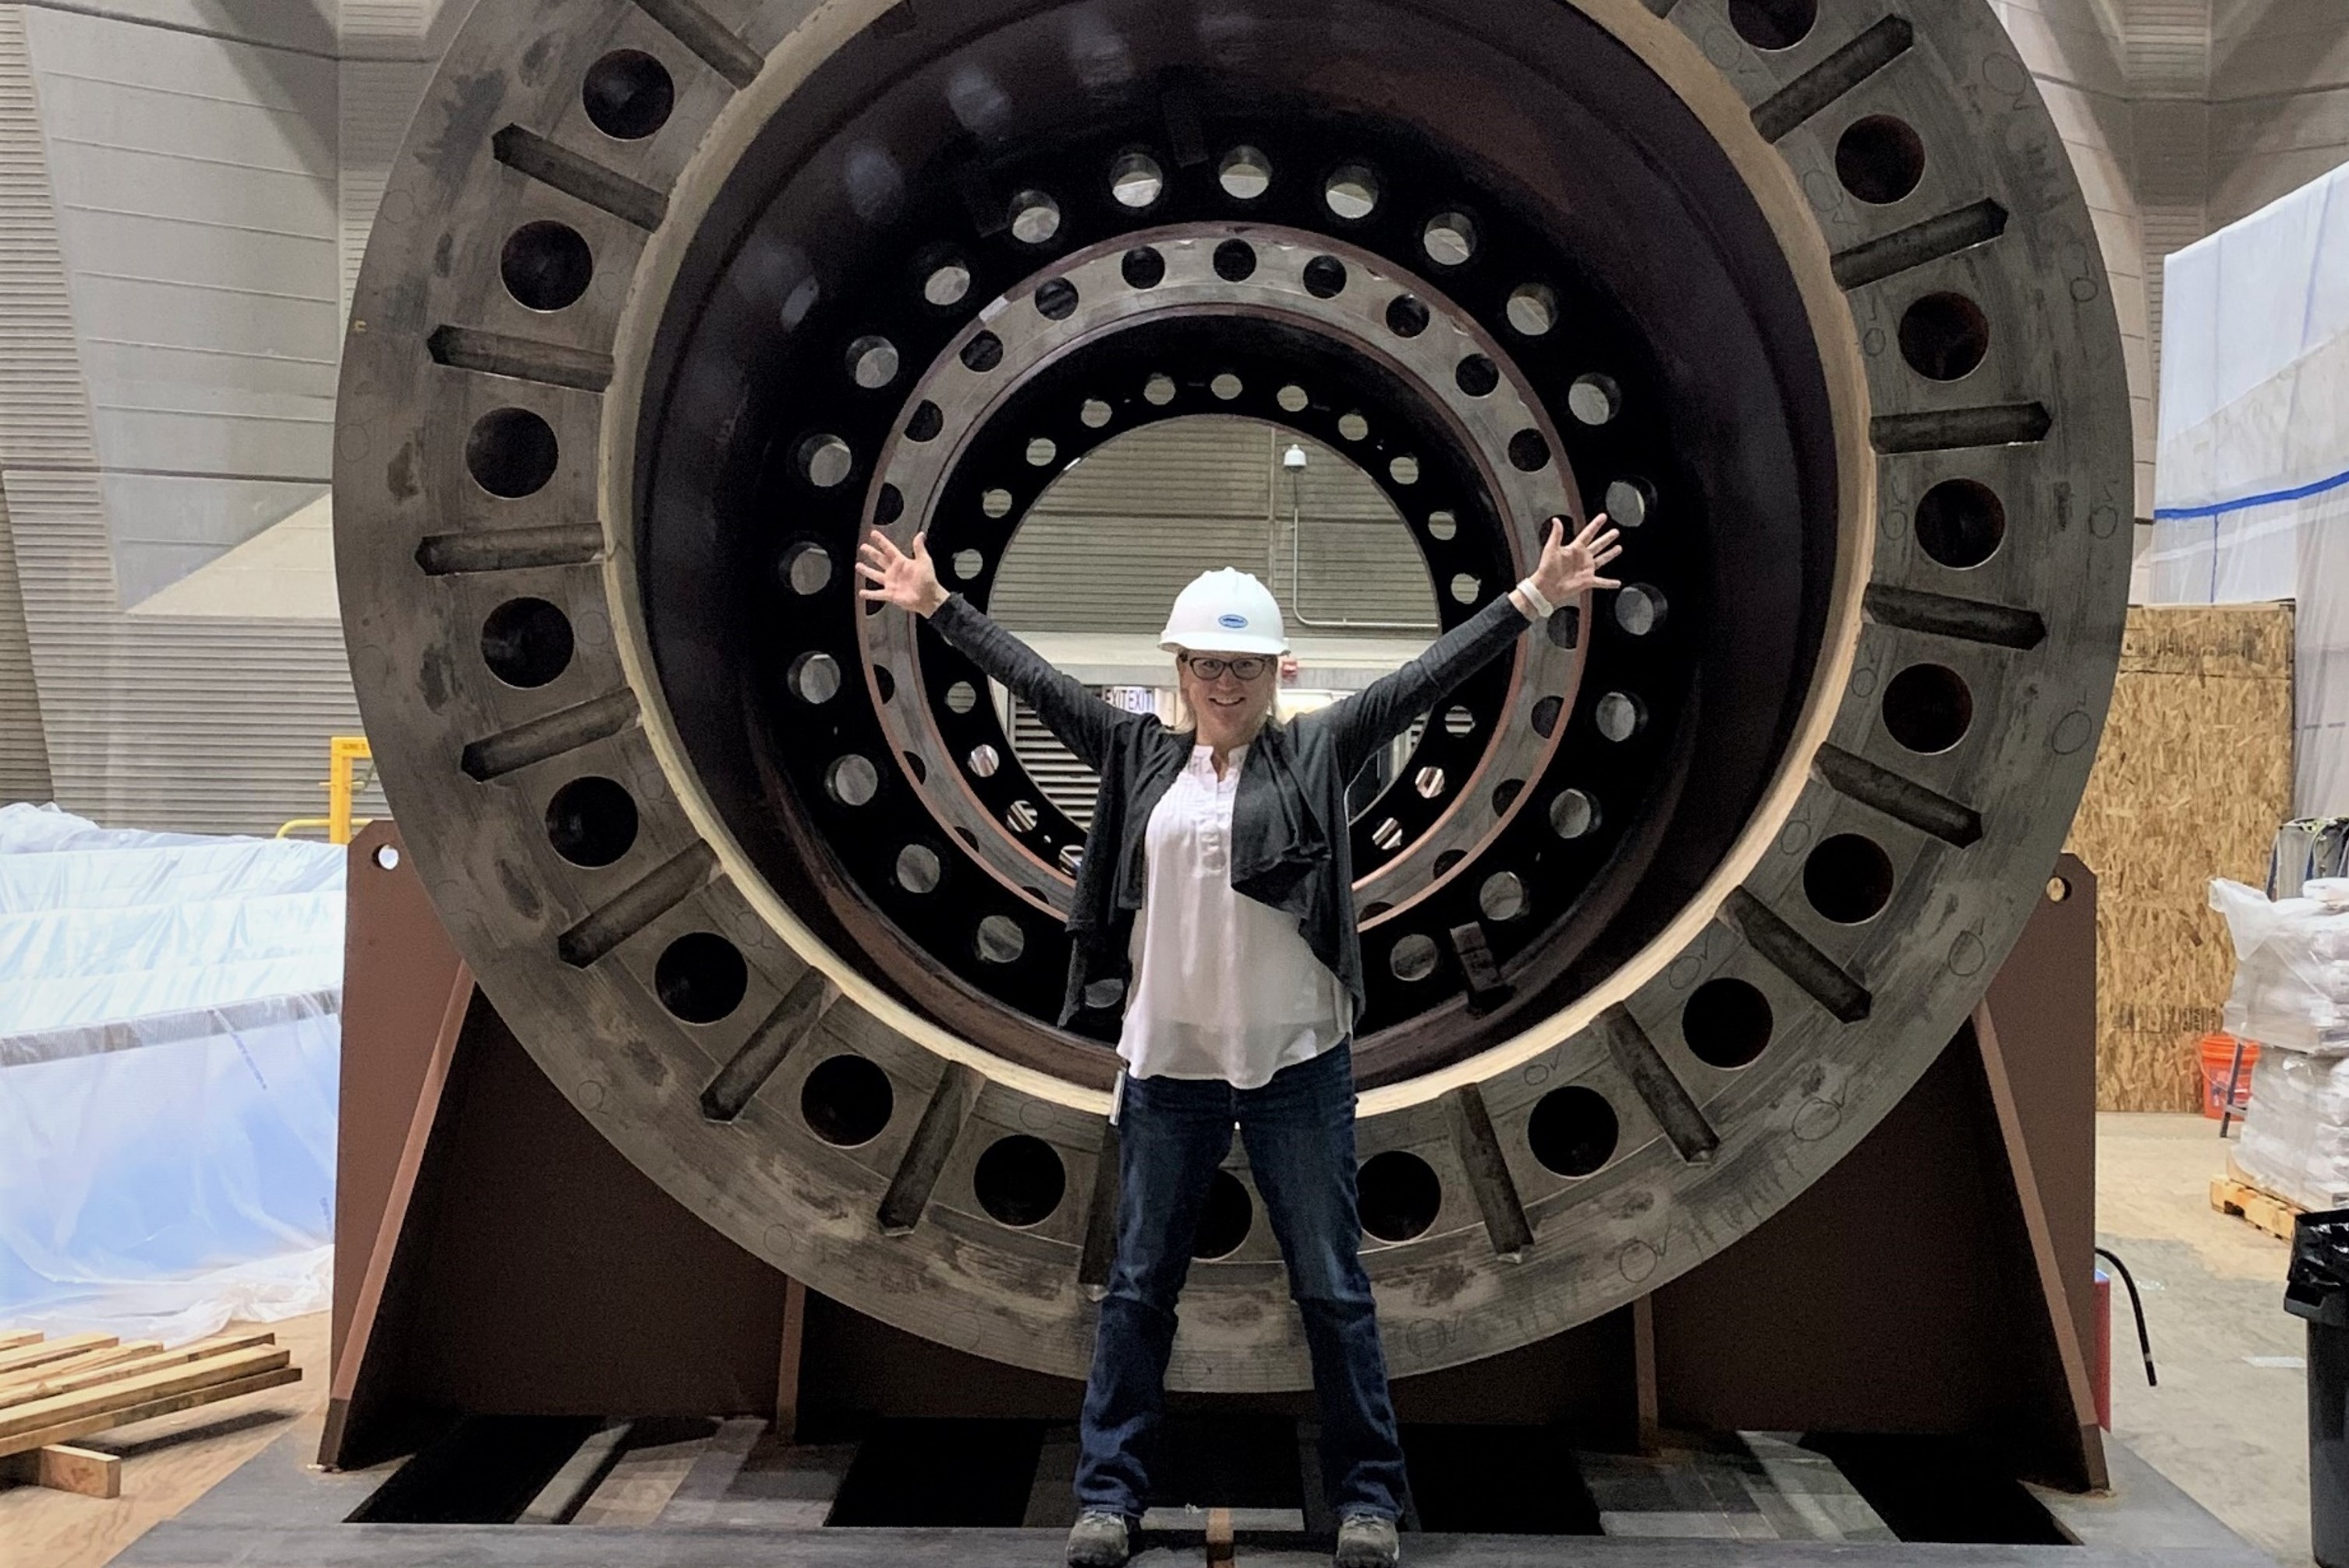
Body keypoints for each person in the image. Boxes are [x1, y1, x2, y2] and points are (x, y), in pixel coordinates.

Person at [858, 514, 1621, 1568]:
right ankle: (1110, 1501)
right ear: (1178, 668)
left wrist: (1532, 598)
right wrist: (938, 606)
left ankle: (1365, 1501)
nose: (1226, 684)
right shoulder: (1137, 756)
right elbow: (1037, 684)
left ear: (1276, 672)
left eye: (1246, 666)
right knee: (1137, 1290)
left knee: (1332, 1287)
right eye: (1209, 664)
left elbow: (1428, 680)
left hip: (1298, 1063)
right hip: (1170, 1065)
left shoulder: (1314, 749)